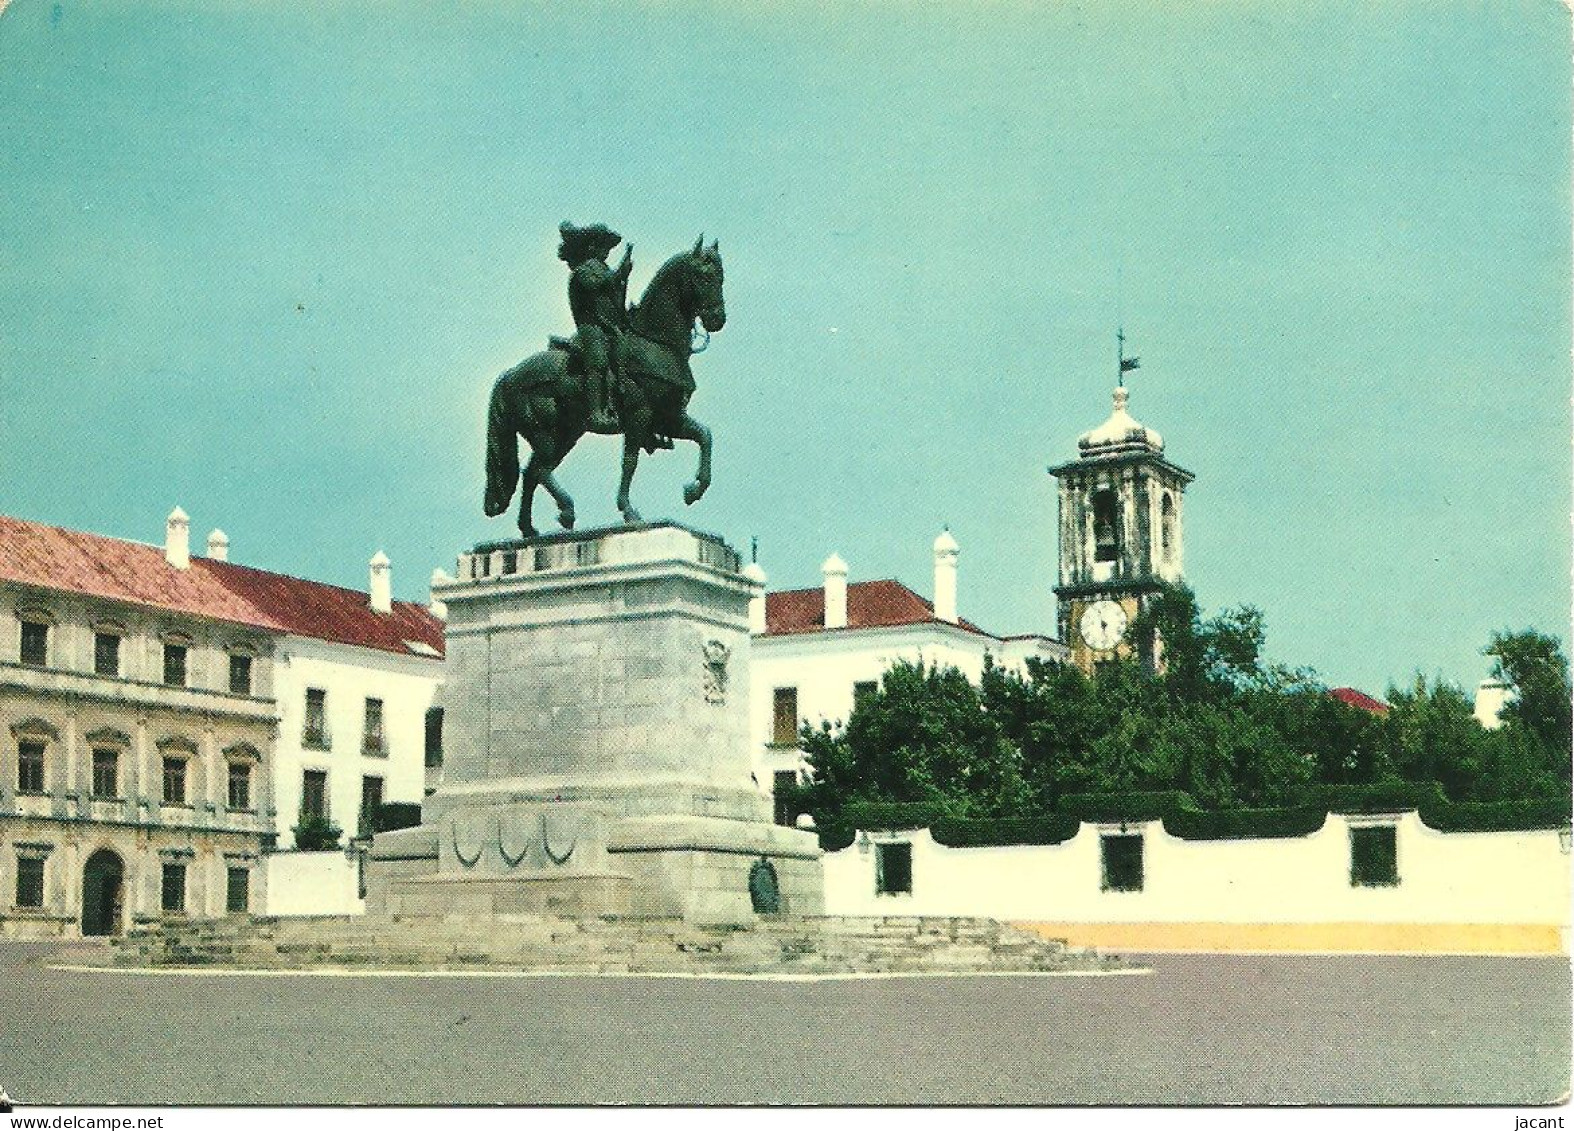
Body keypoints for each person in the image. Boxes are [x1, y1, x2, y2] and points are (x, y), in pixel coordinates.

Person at [557, 220, 632, 430]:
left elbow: (615, 304)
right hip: (591, 328)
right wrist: (618, 275)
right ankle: (595, 413)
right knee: (598, 361)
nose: (606, 251)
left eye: (607, 247)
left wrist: (621, 279)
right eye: (602, 246)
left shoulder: (604, 269)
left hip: (611, 327)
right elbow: (595, 285)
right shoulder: (583, 271)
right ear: (591, 247)